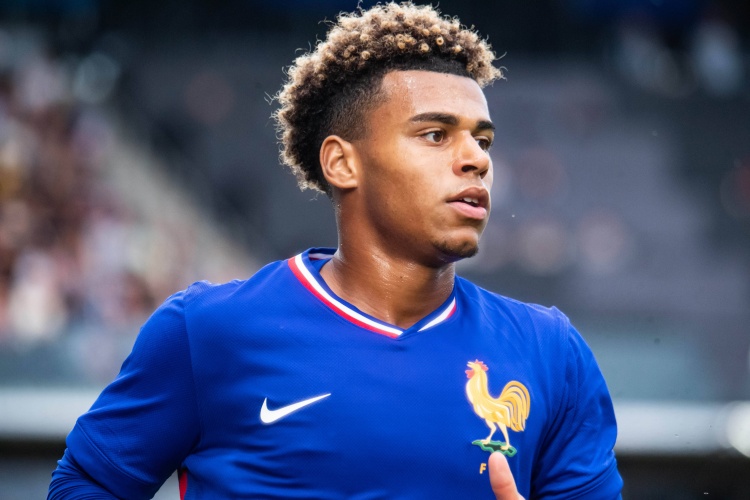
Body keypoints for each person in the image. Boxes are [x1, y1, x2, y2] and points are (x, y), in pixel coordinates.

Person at [49, 3, 622, 499]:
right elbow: (85, 484)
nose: (476, 158)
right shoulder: (207, 332)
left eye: (483, 138)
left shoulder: (553, 353)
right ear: (342, 163)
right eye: (435, 134)